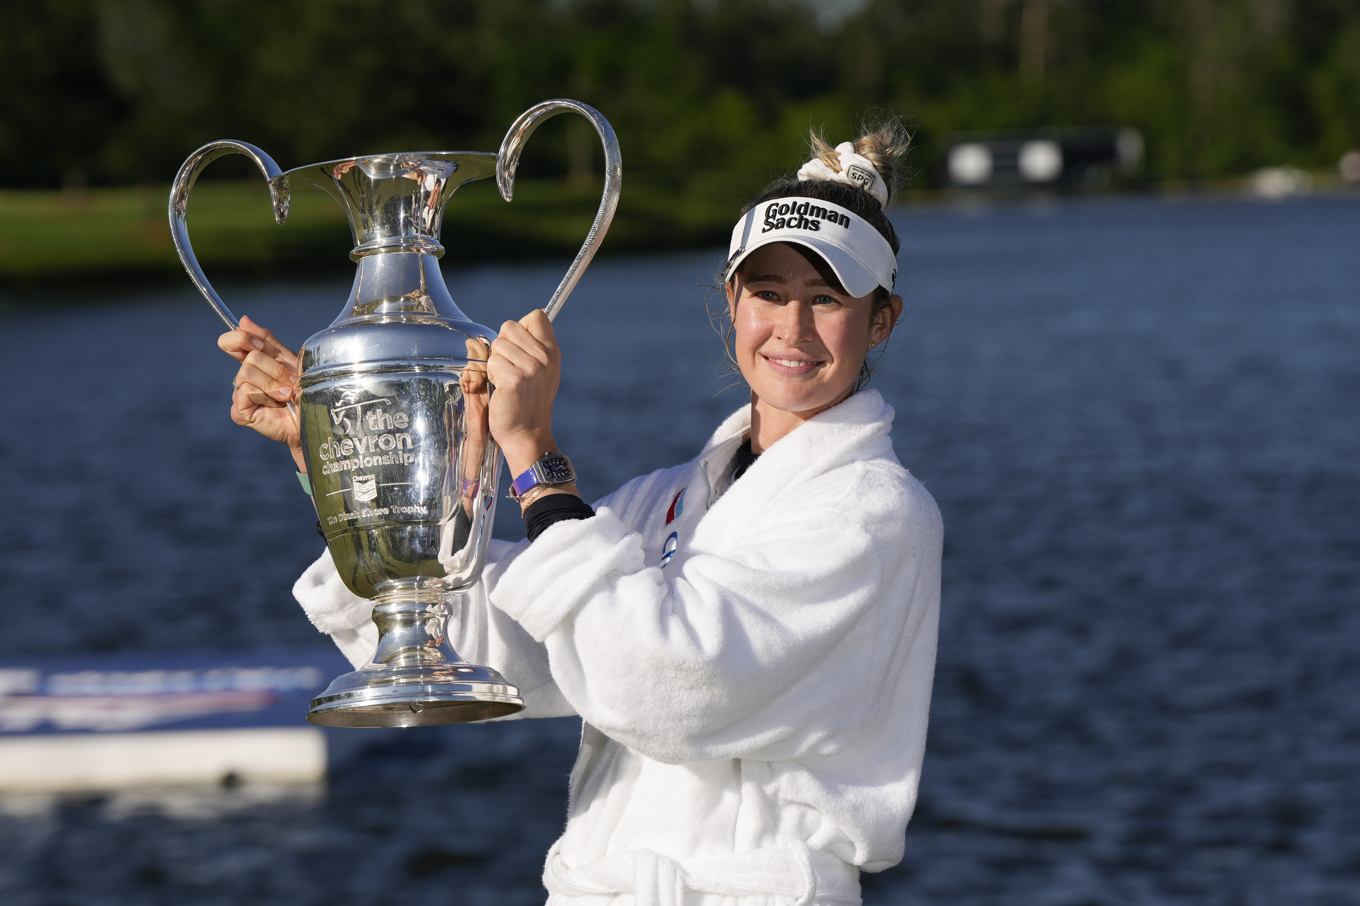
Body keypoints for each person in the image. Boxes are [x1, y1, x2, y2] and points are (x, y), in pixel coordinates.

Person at [219, 122, 941, 906]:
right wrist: (345, 458)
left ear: (882, 320)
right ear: (733, 300)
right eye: (768, 293)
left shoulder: (875, 511)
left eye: (826, 299)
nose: (791, 330)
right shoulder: (669, 499)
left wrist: (533, 456)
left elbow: (669, 687)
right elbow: (495, 647)